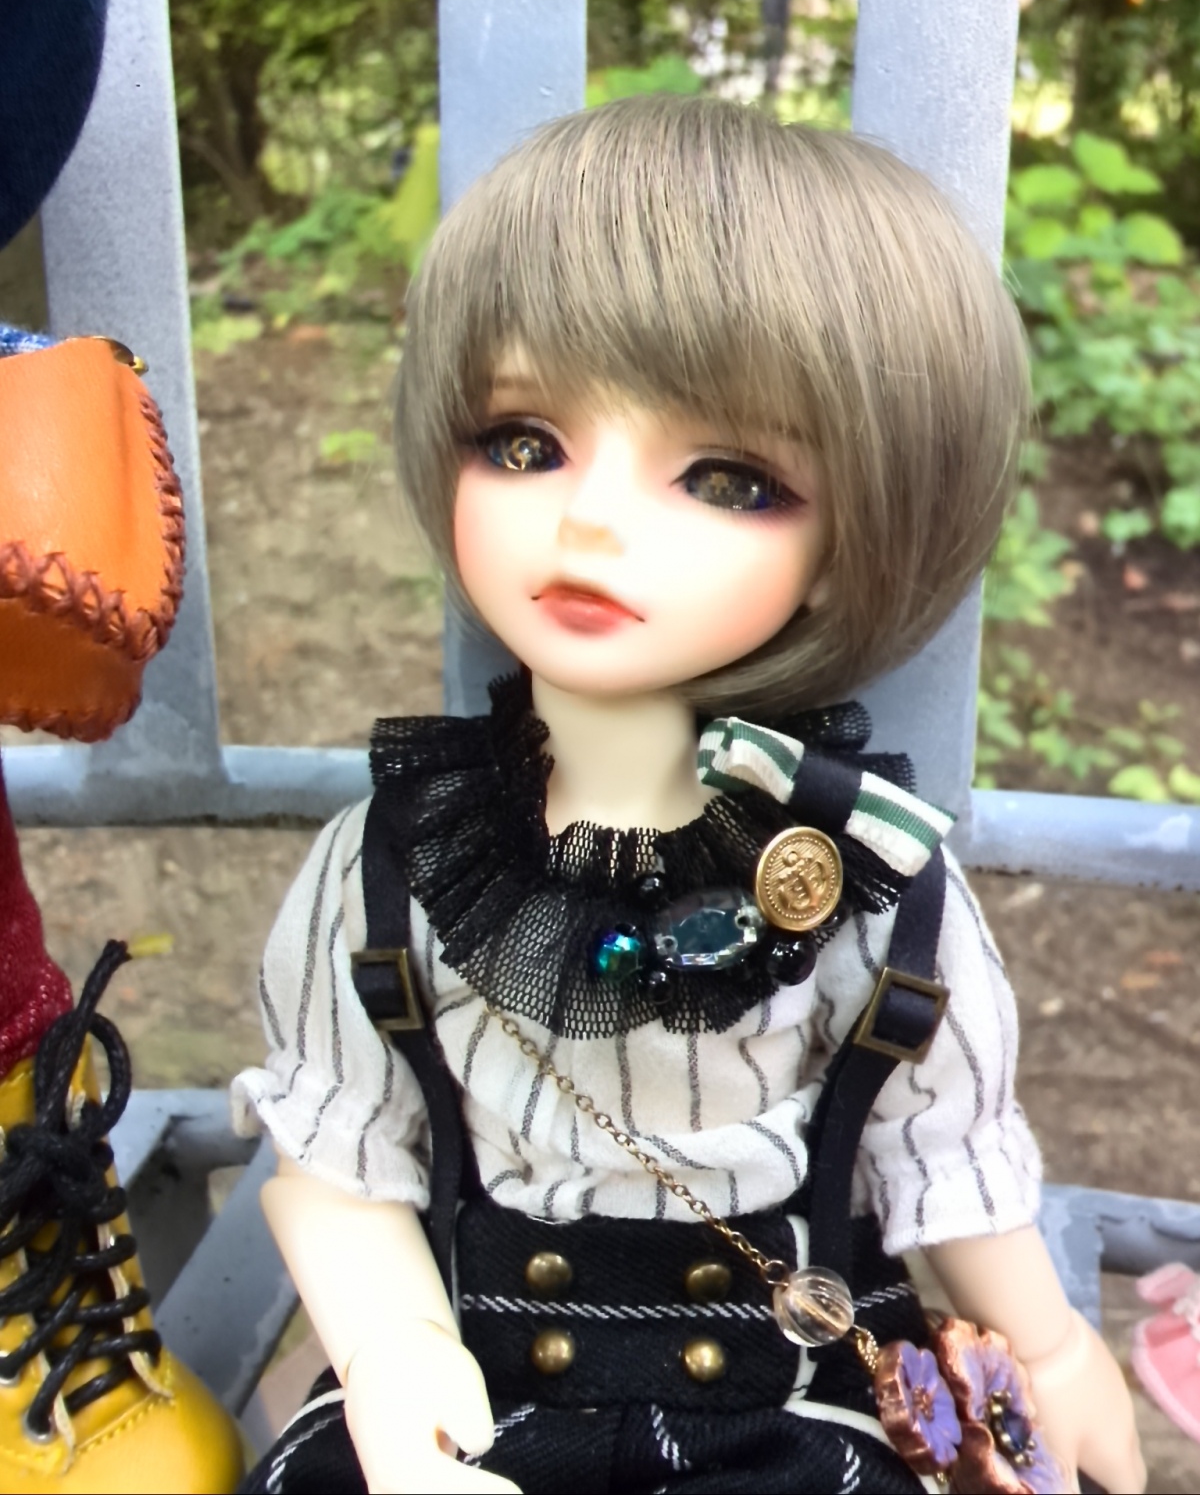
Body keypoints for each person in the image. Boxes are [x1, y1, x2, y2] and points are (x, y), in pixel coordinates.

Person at [234, 96, 1144, 1495]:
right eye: (523, 442)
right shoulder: (398, 859)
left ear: (851, 543)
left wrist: (1053, 1352)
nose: (589, 519)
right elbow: (337, 1160)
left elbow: (942, 1151)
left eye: (728, 479)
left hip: (789, 1400)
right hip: (479, 1385)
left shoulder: (858, 869)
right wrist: (394, 1353)